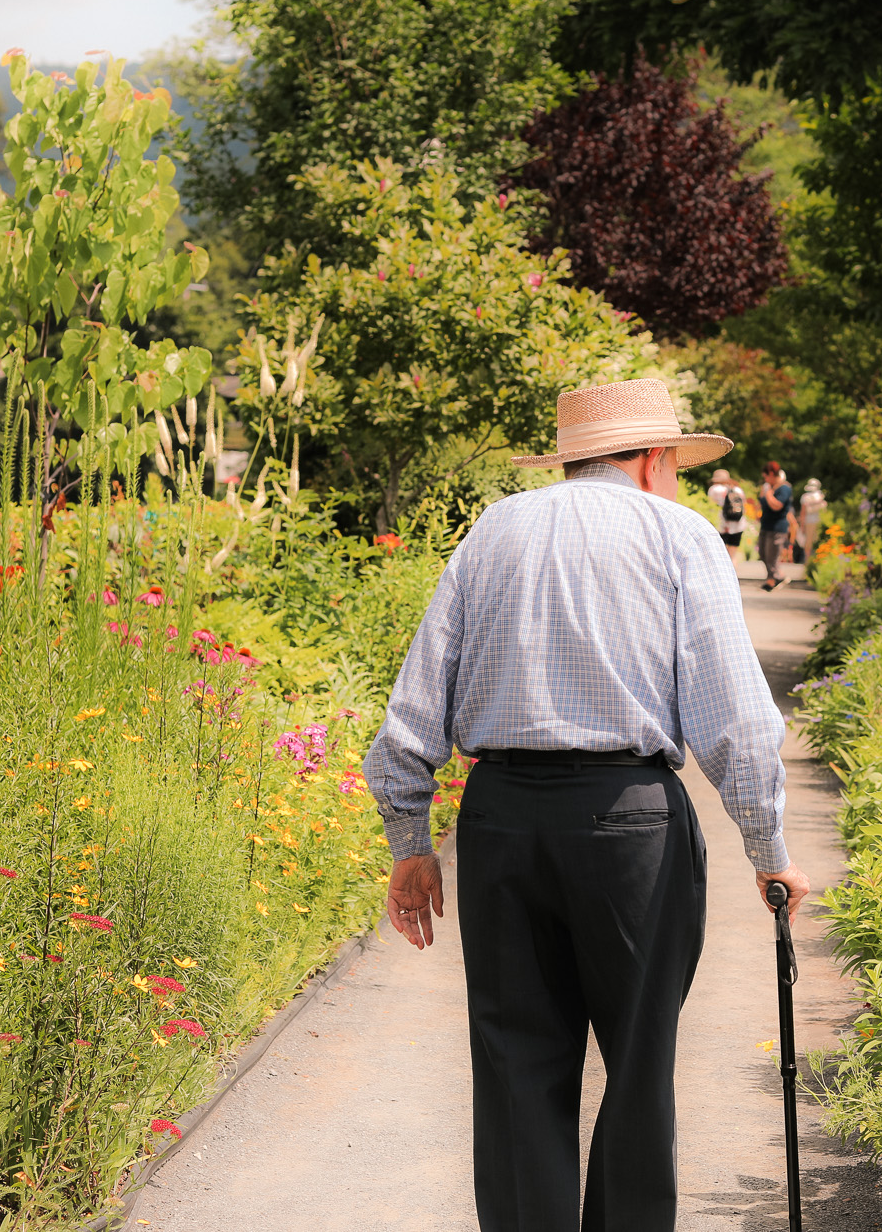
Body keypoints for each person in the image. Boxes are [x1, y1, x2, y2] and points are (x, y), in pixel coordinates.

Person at [364, 377, 811, 1232]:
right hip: (630, 822)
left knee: (514, 1068)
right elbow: (737, 720)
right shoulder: (680, 535)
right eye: (676, 463)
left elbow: (414, 705)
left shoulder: (494, 530)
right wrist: (769, 849)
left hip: (500, 820)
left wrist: (410, 840)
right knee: (639, 1066)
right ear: (652, 459)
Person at [756, 461, 793, 591]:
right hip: (765, 525)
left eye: (766, 476)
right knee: (762, 553)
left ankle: (772, 580)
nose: (765, 480)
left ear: (771, 474)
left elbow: (776, 506)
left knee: (772, 555)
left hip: (777, 527)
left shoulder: (784, 488)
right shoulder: (769, 488)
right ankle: (778, 576)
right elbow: (761, 503)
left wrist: (768, 494)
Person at [708, 467, 748, 565]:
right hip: (738, 524)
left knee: (722, 554)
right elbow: (744, 506)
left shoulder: (714, 489)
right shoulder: (738, 489)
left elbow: (711, 507)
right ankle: (733, 577)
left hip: (722, 525)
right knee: (732, 554)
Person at [797, 478, 827, 566]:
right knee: (816, 541)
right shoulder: (820, 496)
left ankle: (808, 560)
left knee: (808, 542)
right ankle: (817, 561)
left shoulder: (805, 497)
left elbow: (803, 512)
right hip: (819, 521)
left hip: (808, 522)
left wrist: (802, 525)